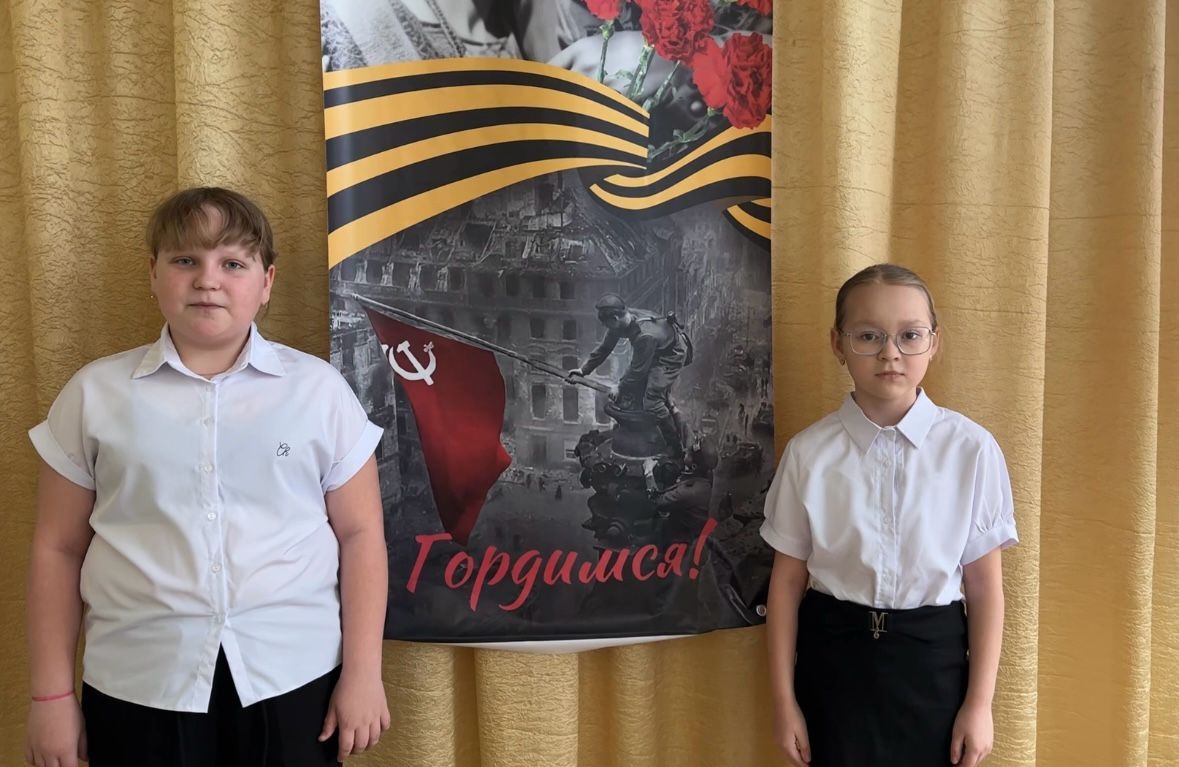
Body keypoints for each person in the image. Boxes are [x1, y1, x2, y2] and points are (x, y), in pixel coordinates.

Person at [24, 188, 390, 767]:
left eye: (233, 263)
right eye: (185, 260)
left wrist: (365, 673)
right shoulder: (93, 395)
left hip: (294, 677)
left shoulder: (319, 392)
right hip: (138, 683)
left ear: (266, 282)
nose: (207, 280)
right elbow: (57, 547)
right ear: (153, 273)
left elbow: (361, 534)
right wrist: (51, 695)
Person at [761, 264, 1017, 767]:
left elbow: (985, 588)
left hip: (934, 666)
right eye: (868, 336)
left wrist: (980, 705)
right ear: (837, 343)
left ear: (934, 342)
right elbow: (786, 584)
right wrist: (784, 702)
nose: (890, 353)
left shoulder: (971, 450)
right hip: (833, 663)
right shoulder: (809, 453)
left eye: (909, 335)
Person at [567, 293, 691, 457]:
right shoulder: (622, 319)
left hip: (670, 354)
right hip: (657, 347)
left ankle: (675, 445)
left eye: (606, 324)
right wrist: (583, 370)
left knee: (652, 401)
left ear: (615, 318)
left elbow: (638, 370)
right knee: (638, 391)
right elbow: (604, 348)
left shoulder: (644, 336)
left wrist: (620, 386)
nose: (606, 328)